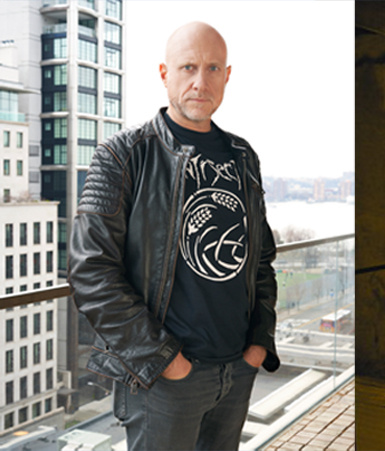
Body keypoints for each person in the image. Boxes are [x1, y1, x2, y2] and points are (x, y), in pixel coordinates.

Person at [68, 21, 279, 450]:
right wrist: (164, 361)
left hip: (235, 370)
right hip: (166, 380)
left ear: (227, 76)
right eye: (188, 67)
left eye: (213, 69)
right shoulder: (122, 155)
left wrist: (259, 342)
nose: (201, 82)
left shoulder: (243, 156)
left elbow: (261, 259)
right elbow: (90, 270)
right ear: (165, 74)